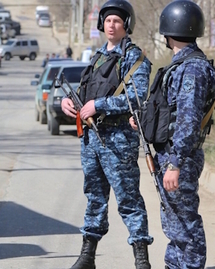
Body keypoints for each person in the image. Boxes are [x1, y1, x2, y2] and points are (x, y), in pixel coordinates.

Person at [60, 1, 153, 268]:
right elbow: (85, 94)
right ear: (102, 24)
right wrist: (70, 104)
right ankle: (88, 256)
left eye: (117, 21)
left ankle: (141, 259)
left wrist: (99, 105)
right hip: (91, 140)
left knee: (129, 199)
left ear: (126, 25)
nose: (111, 26)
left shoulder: (133, 58)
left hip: (118, 141)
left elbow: (136, 99)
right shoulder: (97, 57)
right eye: (108, 21)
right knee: (94, 198)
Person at [130, 1, 215, 268]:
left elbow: (189, 121)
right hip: (172, 156)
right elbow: (171, 113)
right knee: (174, 225)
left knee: (186, 226)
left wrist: (175, 164)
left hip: (180, 158)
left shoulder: (191, 68)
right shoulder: (182, 65)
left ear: (168, 31)